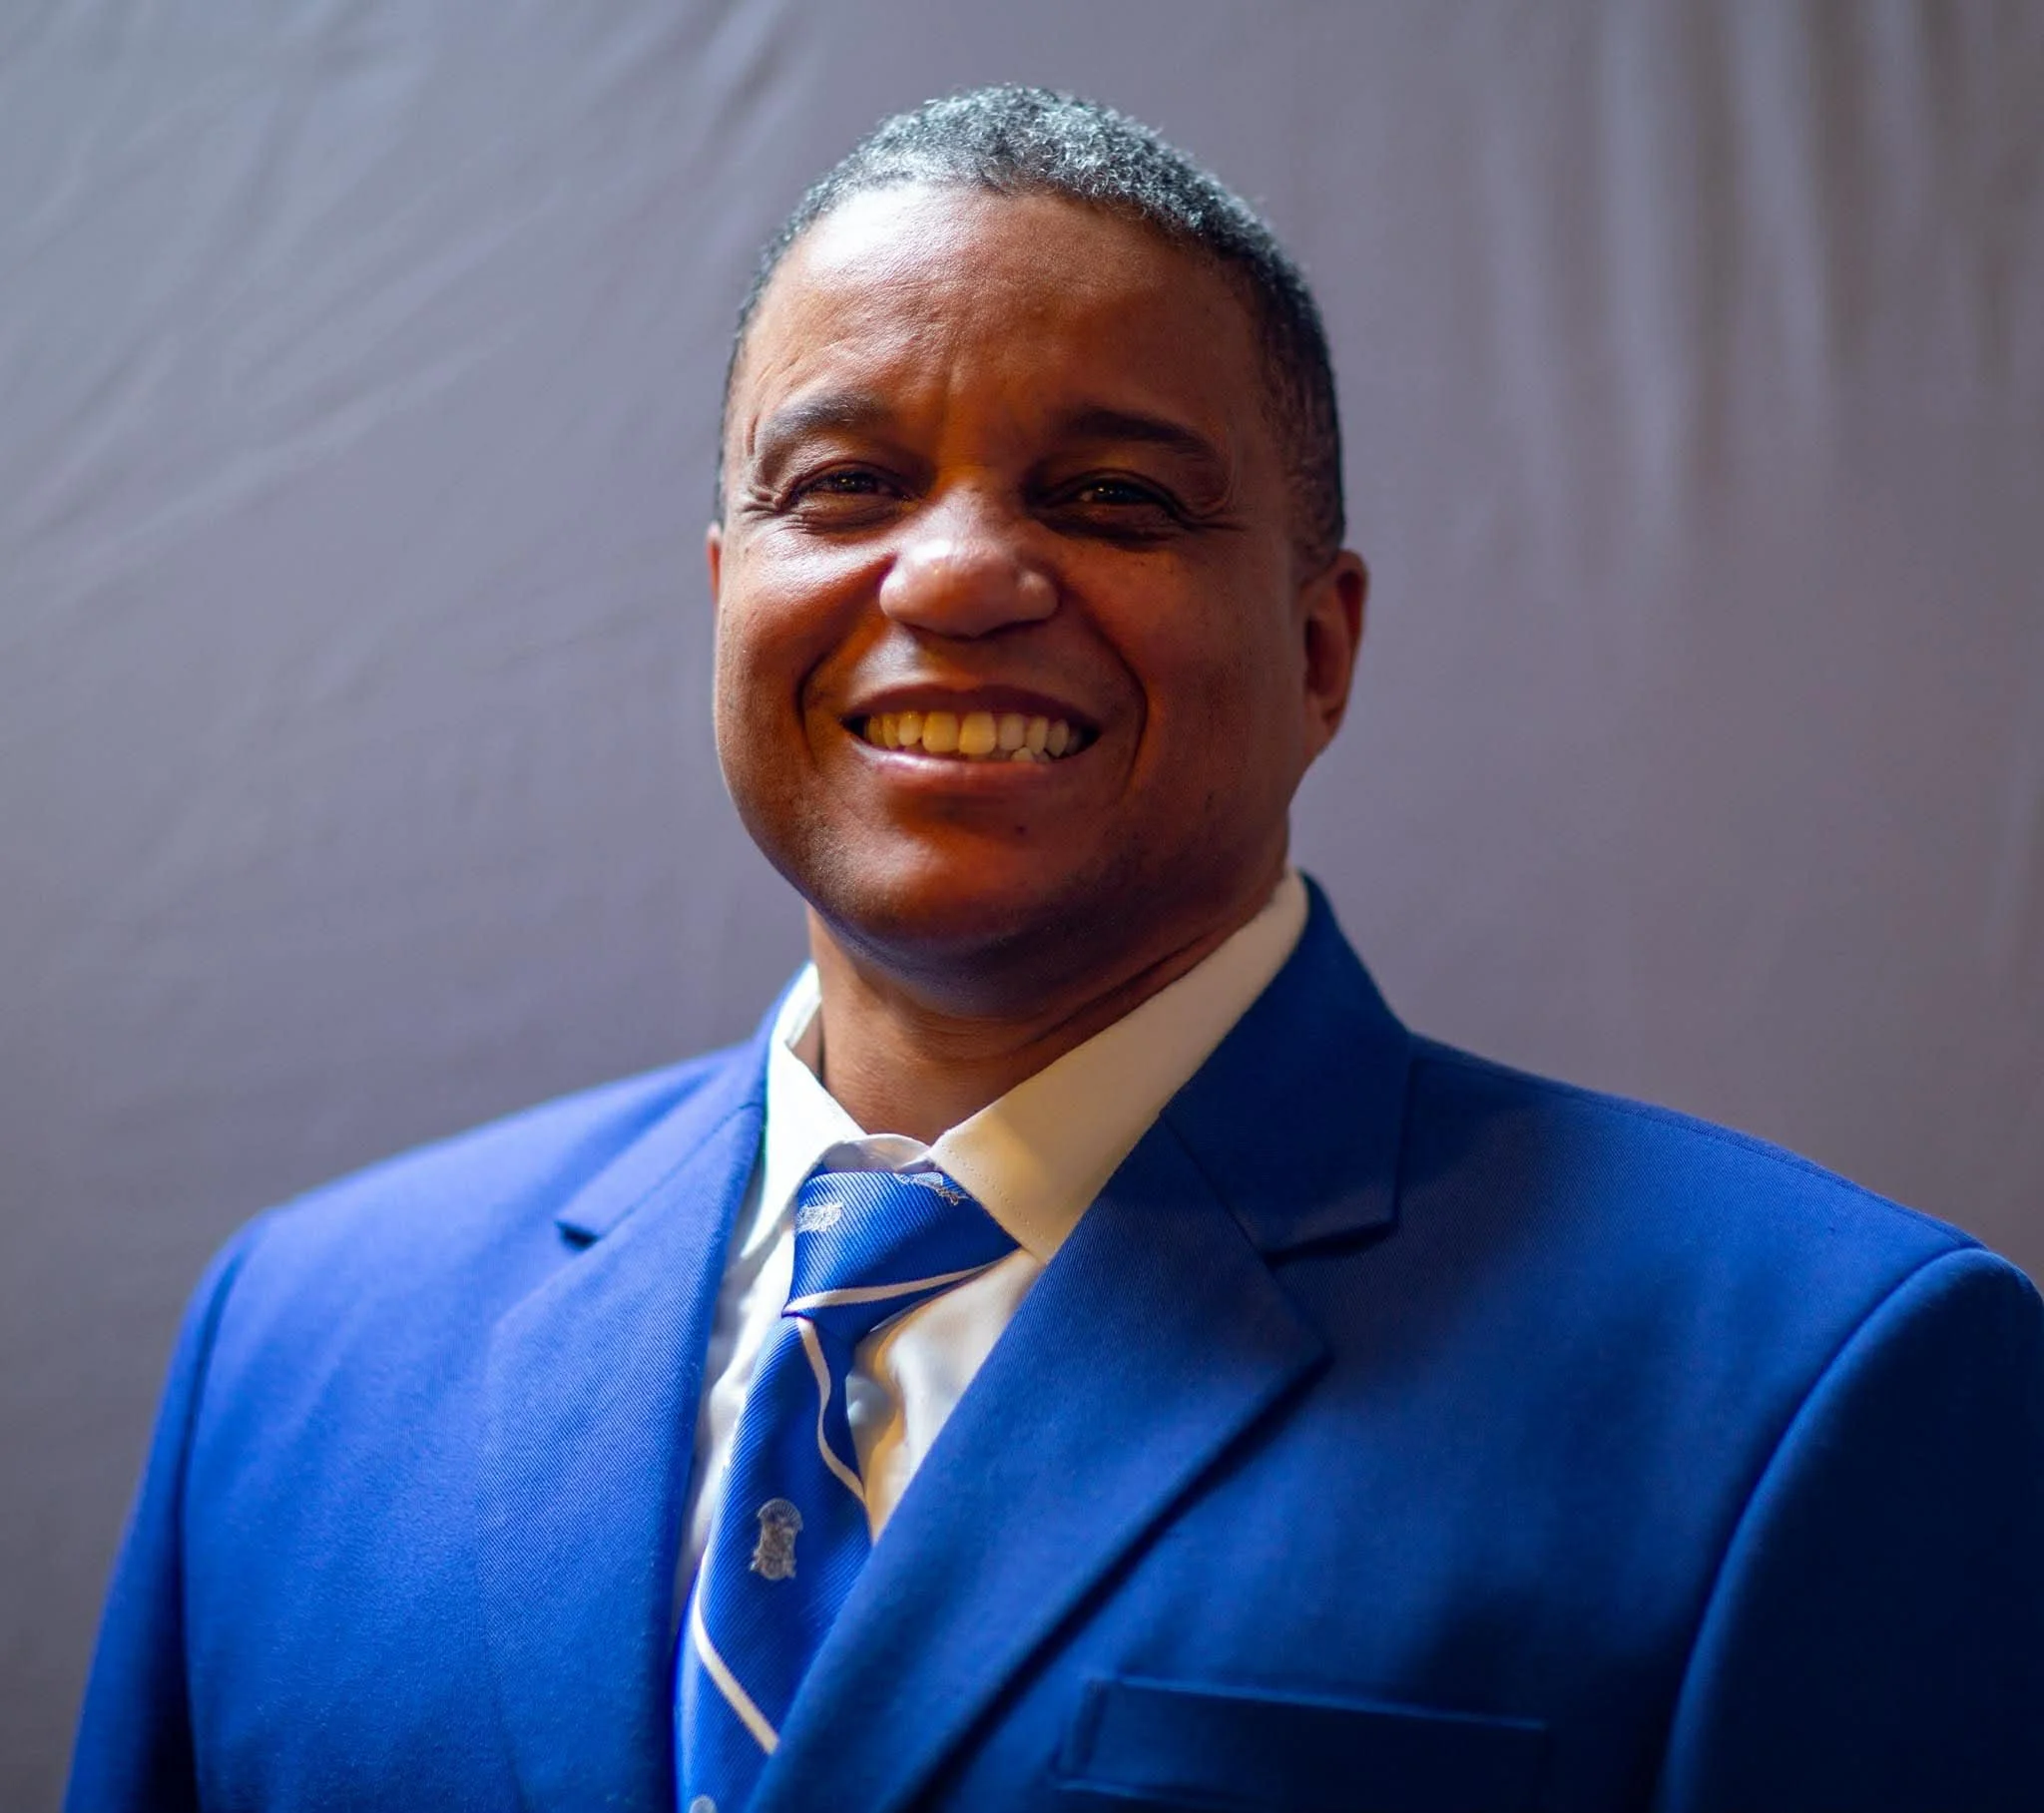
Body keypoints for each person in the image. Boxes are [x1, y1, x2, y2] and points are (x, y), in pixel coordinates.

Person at [68, 86, 2044, 1813]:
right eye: (842, 486)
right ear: (725, 594)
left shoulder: (1815, 1386)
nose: (950, 574)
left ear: (1318, 647)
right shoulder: (301, 1343)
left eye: (1110, 496)